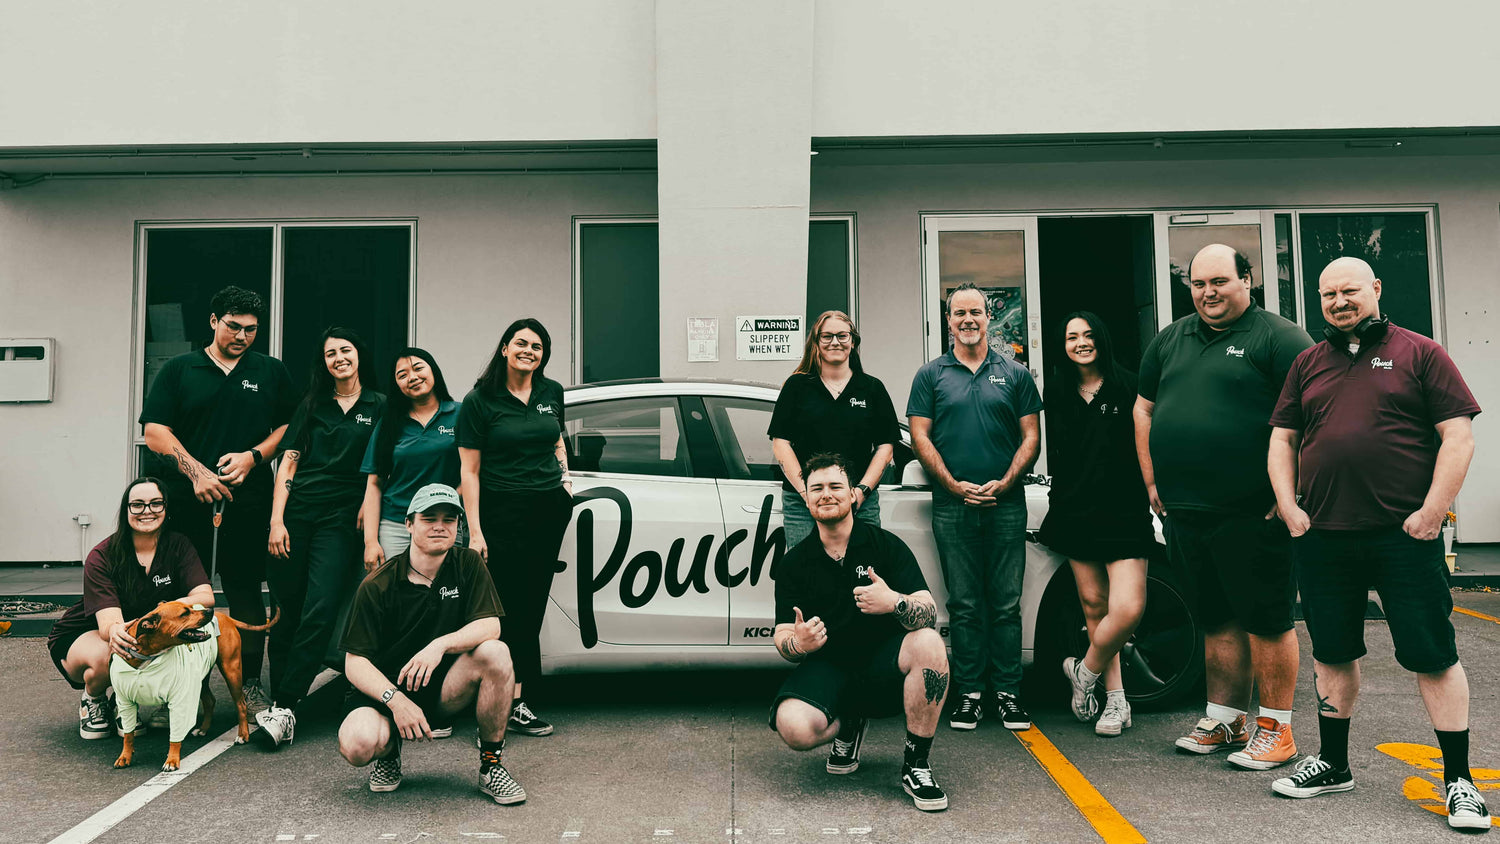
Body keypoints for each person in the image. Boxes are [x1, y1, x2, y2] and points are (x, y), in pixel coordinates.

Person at [1267, 257, 1489, 830]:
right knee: (1332, 653)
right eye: (1329, 294)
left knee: (1433, 655)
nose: (1339, 302)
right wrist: (1290, 508)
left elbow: (1458, 437)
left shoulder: (1421, 353)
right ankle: (1333, 764)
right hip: (1324, 537)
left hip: (1403, 537)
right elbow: (1283, 440)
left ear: (1376, 289)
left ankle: (1460, 781)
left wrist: (1432, 513)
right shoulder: (1307, 363)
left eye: (1350, 291)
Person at [1134, 243, 1311, 770]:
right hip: (1186, 512)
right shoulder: (1170, 339)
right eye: (1198, 284)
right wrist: (1152, 479)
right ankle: (1225, 719)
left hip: (1253, 512)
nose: (1208, 293)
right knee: (1215, 619)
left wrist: (1290, 492)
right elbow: (1144, 410)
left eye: (1219, 281)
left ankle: (1276, 730)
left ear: (1246, 280)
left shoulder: (1279, 338)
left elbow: (1315, 416)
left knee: (1267, 621)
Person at [140, 285, 295, 713]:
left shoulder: (270, 371)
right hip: (186, 504)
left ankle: (250, 685)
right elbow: (154, 431)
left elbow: (291, 427)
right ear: (213, 321)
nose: (242, 336)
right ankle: (181, 689)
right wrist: (197, 473)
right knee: (185, 597)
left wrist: (253, 457)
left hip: (249, 503)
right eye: (233, 326)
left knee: (246, 591)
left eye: (251, 329)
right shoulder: (179, 369)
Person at [769, 454, 950, 812]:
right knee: (793, 727)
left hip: (883, 666)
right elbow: (782, 635)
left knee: (929, 643)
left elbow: (927, 612)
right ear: (806, 498)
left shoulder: (886, 546)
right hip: (829, 667)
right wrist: (798, 643)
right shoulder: (794, 563)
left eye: (835, 486)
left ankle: (916, 764)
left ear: (853, 494)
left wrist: (894, 602)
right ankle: (849, 723)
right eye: (816, 488)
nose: (826, 494)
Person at [335, 484, 526, 804]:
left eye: (449, 519)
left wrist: (439, 645)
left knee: (496, 652)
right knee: (357, 744)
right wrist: (396, 701)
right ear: (409, 524)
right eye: (429, 518)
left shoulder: (468, 563)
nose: (440, 526)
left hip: (443, 690)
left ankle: (491, 766)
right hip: (386, 696)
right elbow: (354, 663)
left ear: (458, 526)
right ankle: (388, 754)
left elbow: (491, 625)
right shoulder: (378, 585)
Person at [907, 283, 1042, 732]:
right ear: (948, 321)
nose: (968, 320)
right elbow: (920, 437)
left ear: (989, 317)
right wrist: (952, 485)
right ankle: (969, 694)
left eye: (976, 312)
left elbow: (1031, 437)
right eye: (959, 313)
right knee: (964, 604)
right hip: (952, 506)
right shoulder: (930, 376)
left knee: (1006, 604)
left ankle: (1008, 693)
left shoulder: (1016, 374)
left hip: (1006, 505)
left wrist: (1006, 483)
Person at [257, 328, 386, 747]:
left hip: (340, 520)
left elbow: (382, 465)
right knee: (287, 608)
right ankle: (280, 697)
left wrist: (368, 505)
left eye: (345, 350)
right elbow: (289, 462)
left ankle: (286, 705)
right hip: (297, 515)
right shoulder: (312, 404)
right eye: (331, 353)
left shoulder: (379, 405)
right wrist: (277, 520)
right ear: (324, 363)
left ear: (359, 355)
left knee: (320, 605)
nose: (339, 358)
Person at [1038, 311, 1153, 737]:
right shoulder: (1057, 389)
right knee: (1094, 608)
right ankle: (1115, 700)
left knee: (1127, 609)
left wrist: (1154, 486)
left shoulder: (1129, 384)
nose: (1081, 343)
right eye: (1072, 337)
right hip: (1075, 510)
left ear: (1101, 339)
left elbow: (1146, 442)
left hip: (1124, 509)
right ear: (1063, 345)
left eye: (1088, 335)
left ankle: (1083, 671)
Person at [458, 318, 572, 738]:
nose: (529, 351)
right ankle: (499, 698)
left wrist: (566, 483)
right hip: (500, 512)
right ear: (505, 348)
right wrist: (475, 531)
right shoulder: (479, 400)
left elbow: (556, 439)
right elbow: (469, 471)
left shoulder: (551, 392)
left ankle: (518, 701)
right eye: (521, 343)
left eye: (537, 346)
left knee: (532, 605)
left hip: (547, 510)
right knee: (504, 609)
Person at [49, 478, 216, 739]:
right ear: (126, 510)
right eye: (137, 504)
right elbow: (110, 625)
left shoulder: (178, 545)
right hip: (86, 633)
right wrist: (120, 631)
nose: (147, 511)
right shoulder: (102, 555)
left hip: (141, 629)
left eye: (155, 503)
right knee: (115, 649)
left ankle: (133, 700)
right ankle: (94, 699)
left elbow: (205, 596)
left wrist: (168, 609)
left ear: (166, 508)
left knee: (189, 636)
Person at [769, 310, 900, 549]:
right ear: (816, 342)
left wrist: (861, 491)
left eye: (842, 335)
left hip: (859, 503)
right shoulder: (796, 386)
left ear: (853, 341)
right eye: (827, 336)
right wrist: (806, 493)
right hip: (804, 503)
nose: (835, 342)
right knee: (807, 569)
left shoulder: (872, 388)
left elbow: (885, 447)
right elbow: (781, 444)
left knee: (864, 566)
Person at [360, 347, 463, 566]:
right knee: (396, 585)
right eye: (402, 375)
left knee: (443, 585)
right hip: (396, 524)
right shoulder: (389, 423)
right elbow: (374, 483)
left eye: (418, 368)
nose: (412, 377)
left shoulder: (460, 414)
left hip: (443, 522)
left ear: (433, 370)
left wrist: (450, 498)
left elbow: (475, 470)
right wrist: (370, 542)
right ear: (396, 384)